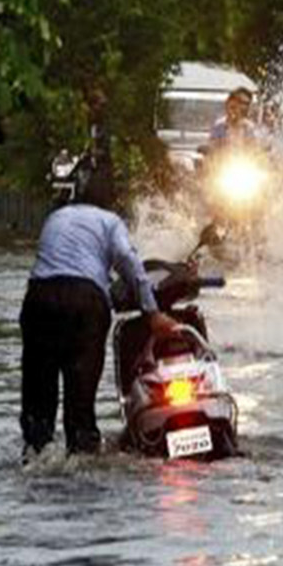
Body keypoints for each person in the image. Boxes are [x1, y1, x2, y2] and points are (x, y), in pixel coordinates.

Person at [20, 127, 178, 459]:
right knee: (80, 390)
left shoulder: (56, 218)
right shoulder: (110, 221)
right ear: (111, 198)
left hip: (39, 300)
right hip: (85, 303)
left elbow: (60, 261)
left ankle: (37, 452)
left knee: (39, 387)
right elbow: (130, 264)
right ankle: (82, 449)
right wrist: (152, 314)